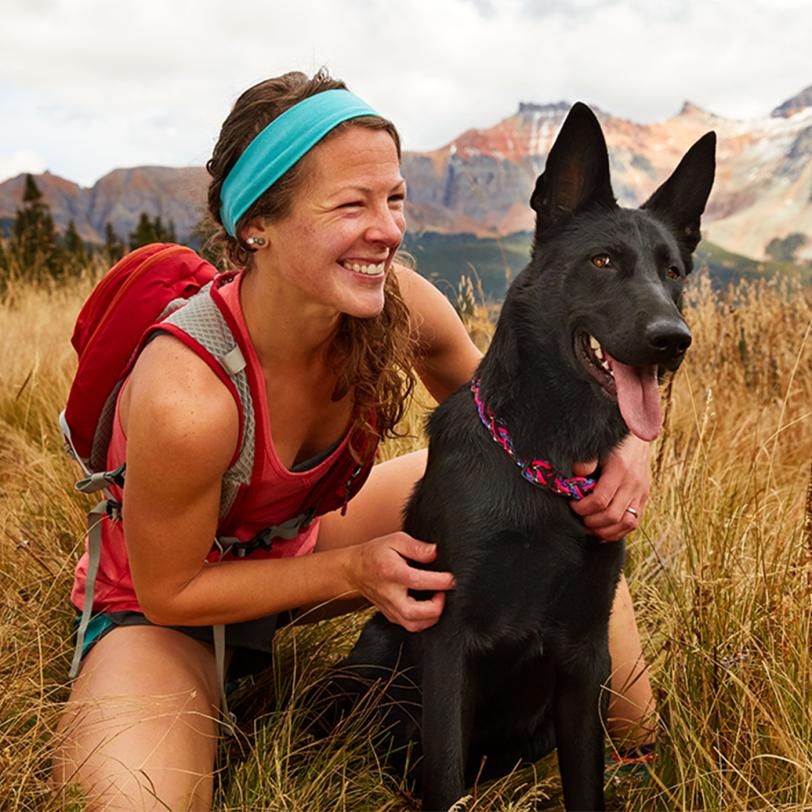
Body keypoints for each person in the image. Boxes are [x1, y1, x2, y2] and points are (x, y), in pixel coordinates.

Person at [52, 70, 655, 810]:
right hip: (168, 603)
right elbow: (170, 588)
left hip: (300, 540)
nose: (389, 229)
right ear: (256, 224)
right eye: (351, 204)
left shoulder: (400, 308)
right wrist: (353, 573)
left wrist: (626, 447)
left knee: (564, 492)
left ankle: (633, 748)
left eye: (393, 198)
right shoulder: (188, 394)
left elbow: (525, 426)